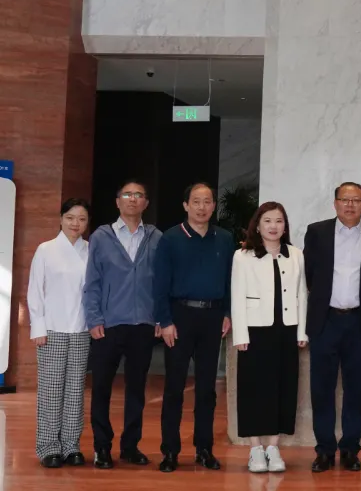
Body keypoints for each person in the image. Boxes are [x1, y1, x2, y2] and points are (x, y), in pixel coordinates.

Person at [304, 182, 361, 473]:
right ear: (335, 203)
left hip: (359, 322)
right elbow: (309, 275)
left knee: (356, 389)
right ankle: (325, 450)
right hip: (325, 321)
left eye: (356, 200)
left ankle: (350, 448)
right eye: (345, 199)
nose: (350, 205)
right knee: (321, 389)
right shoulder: (317, 232)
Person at [153, 182, 235, 472]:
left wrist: (227, 313)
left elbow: (230, 280)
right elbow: (159, 283)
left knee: (206, 389)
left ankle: (204, 449)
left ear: (214, 206)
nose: (202, 207)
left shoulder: (224, 238)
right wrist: (164, 321)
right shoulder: (171, 238)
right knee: (174, 387)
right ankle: (170, 451)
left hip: (213, 318)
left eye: (207, 201)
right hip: (180, 317)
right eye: (196, 201)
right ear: (186, 205)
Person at [83, 180, 162, 469]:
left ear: (146, 203)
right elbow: (92, 281)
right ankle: (101, 447)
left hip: (143, 324)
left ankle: (130, 446)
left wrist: (159, 316)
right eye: (127, 194)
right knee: (102, 388)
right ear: (118, 202)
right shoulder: (102, 236)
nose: (133, 199)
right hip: (108, 324)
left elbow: (162, 282)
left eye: (139, 195)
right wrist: (94, 318)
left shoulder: (155, 237)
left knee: (137, 389)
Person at [232, 202, 308, 473]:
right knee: (254, 388)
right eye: (267, 221)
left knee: (283, 387)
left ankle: (274, 447)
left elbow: (302, 294)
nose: (273, 226)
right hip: (255, 331)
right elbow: (237, 295)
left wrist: (301, 331)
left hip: (286, 329)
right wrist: (240, 333)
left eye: (278, 221)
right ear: (257, 225)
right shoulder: (243, 255)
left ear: (285, 226)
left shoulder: (295, 254)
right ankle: (255, 448)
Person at [27, 198, 92, 468]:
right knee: (51, 391)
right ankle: (48, 447)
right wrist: (38, 326)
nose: (76, 224)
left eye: (82, 219)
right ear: (61, 219)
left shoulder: (91, 250)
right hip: (52, 329)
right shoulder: (46, 249)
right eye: (70, 218)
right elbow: (35, 290)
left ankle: (71, 445)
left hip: (81, 329)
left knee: (75, 391)